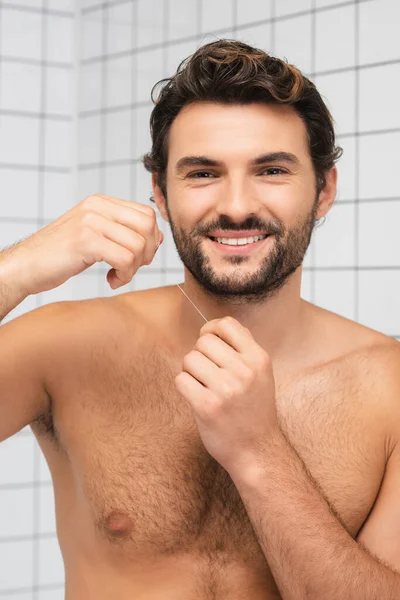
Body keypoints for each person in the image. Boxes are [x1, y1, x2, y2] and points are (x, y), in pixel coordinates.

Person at [1, 39, 400, 600]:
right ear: (161, 193)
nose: (236, 204)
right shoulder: (67, 346)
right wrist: (14, 271)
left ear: (324, 191)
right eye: (203, 173)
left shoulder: (390, 387)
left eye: (271, 170)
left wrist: (259, 451)